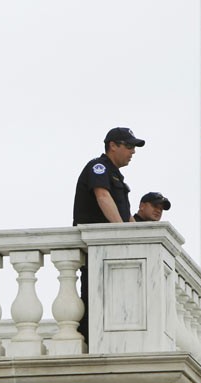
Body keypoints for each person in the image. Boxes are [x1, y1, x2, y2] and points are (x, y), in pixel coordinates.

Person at [72, 127, 146, 343]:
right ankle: (90, 343)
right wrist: (123, 235)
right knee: (94, 300)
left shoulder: (116, 175)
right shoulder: (99, 167)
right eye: (129, 146)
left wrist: (139, 238)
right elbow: (102, 196)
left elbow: (124, 216)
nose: (133, 152)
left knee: (113, 301)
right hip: (97, 249)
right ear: (113, 145)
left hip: (111, 251)